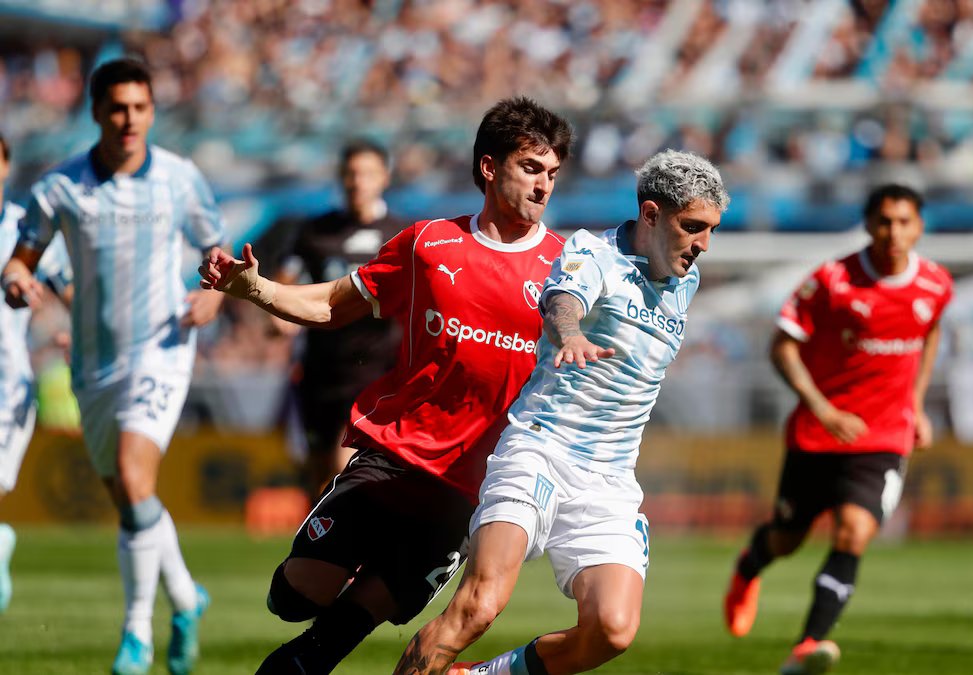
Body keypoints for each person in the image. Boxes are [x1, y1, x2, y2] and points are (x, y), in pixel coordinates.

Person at [199, 96, 573, 675]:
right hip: (395, 454)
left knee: (354, 621)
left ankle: (309, 658)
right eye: (531, 167)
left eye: (553, 172)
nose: (545, 184)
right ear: (489, 167)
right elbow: (331, 304)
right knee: (295, 595)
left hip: (475, 484)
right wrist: (257, 291)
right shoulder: (429, 244)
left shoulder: (569, 267)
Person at [392, 149, 729, 675]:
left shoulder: (686, 281)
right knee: (479, 606)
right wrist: (570, 334)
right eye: (693, 227)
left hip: (610, 481)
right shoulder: (593, 253)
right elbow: (561, 301)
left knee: (612, 630)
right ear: (650, 214)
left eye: (711, 230)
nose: (703, 244)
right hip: (541, 452)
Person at [2, 58, 225, 675]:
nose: (130, 120)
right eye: (118, 108)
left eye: (140, 108)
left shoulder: (179, 179)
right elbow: (22, 258)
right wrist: (17, 282)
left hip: (162, 346)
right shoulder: (61, 186)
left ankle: (136, 638)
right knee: (134, 501)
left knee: (133, 477)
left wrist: (212, 292)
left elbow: (216, 250)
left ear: (152, 111)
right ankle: (186, 599)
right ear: (97, 111)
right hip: (94, 364)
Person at [722, 184, 953, 675]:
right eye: (884, 221)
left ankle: (809, 645)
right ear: (868, 224)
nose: (894, 232)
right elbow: (782, 346)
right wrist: (821, 408)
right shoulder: (833, 280)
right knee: (787, 538)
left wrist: (916, 404)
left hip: (885, 436)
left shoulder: (935, 284)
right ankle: (748, 567)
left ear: (920, 226)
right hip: (817, 434)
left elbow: (929, 333)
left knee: (854, 532)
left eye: (904, 221)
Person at [273, 138, 405, 498]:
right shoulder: (315, 232)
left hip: (375, 371)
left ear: (384, 178)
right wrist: (278, 314)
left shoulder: (401, 235)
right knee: (317, 479)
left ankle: (352, 549)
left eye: (366, 173)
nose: (357, 181)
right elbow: (286, 279)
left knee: (342, 466)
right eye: (350, 173)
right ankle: (326, 551)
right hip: (320, 370)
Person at [0, 132, 73, 615]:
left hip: (5, 385)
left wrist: (86, 334)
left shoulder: (25, 230)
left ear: (5, 167)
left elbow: (70, 288)